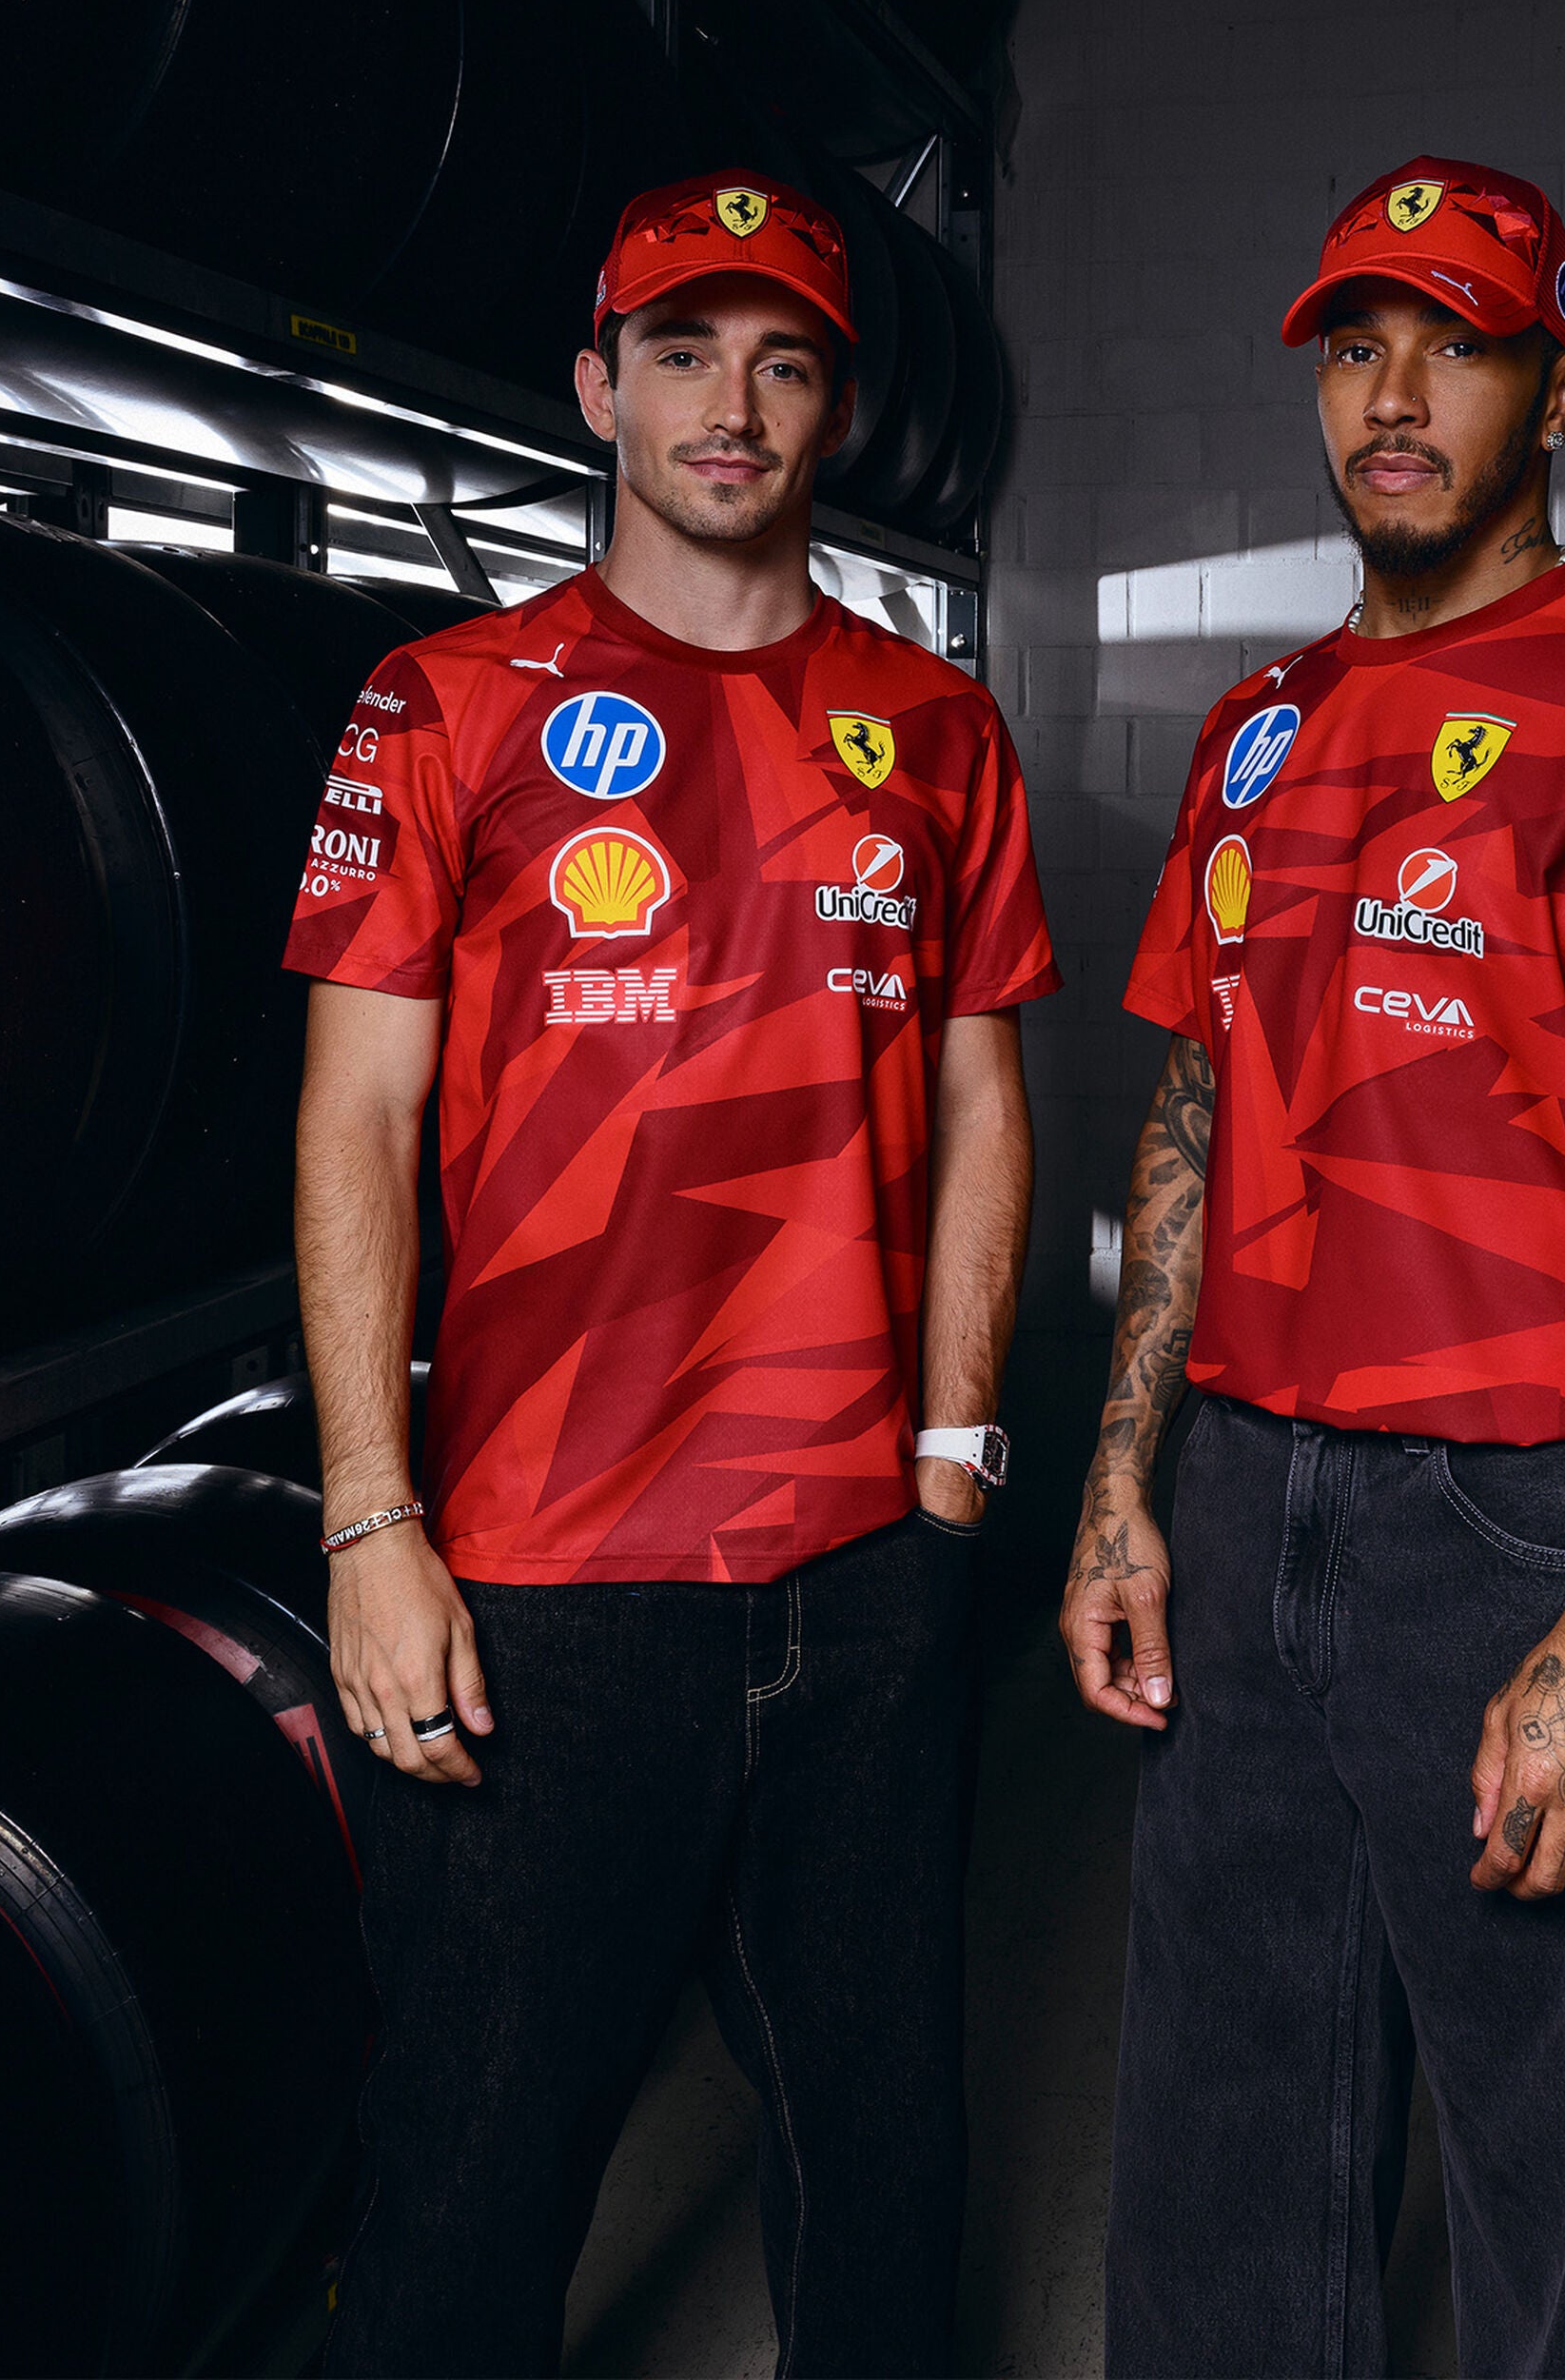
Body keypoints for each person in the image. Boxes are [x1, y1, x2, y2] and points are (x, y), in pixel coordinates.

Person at [1064, 158, 1565, 2377]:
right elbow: (1193, 1116)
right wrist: (1127, 1478)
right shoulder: (1256, 731)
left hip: (1513, 1519)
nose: (1390, 393)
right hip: (1242, 1487)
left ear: (1561, 386)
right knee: (1218, 2130)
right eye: (1352, 340)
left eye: (1458, 340)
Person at [288, 167, 1058, 2377]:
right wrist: (372, 1516)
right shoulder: (443, 709)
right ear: (596, 386)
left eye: (786, 359)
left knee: (882, 2162)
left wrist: (952, 1457)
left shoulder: (933, 733)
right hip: (542, 1579)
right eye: (686, 350)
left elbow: (983, 1102)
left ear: (835, 410)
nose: (735, 401)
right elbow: (352, 1118)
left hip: (861, 1573)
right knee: (467, 2170)